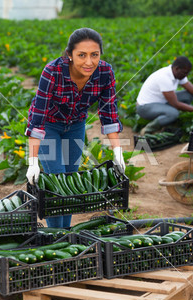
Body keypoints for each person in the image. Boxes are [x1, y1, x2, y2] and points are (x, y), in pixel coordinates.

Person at [25, 28, 125, 228]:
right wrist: (33, 161)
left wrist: (118, 152)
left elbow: (109, 114)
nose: (89, 62)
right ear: (69, 55)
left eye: (94, 55)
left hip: (76, 125)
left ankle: (66, 234)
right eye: (82, 55)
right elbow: (38, 118)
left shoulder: (105, 73)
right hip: (49, 126)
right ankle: (57, 235)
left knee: (71, 182)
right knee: (57, 181)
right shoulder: (52, 72)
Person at [136, 56, 193, 135]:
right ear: (177, 69)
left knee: (188, 95)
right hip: (144, 107)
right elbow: (175, 104)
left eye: (187, 73)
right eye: (185, 72)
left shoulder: (179, 74)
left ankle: (167, 121)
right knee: (173, 113)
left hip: (160, 102)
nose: (186, 75)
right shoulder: (164, 78)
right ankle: (148, 129)